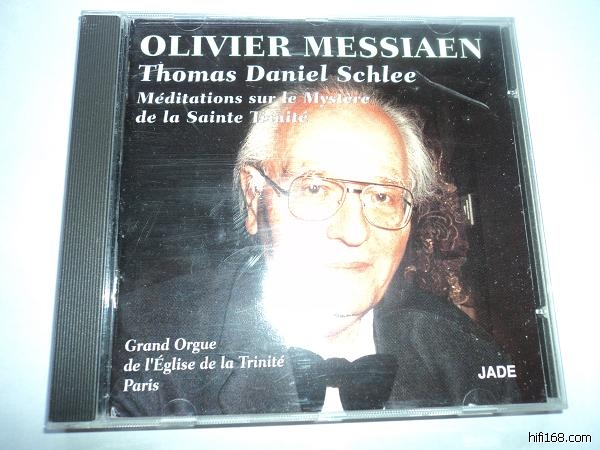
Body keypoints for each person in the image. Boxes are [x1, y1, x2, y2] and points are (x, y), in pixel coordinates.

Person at [111, 81, 520, 417]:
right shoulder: (138, 349)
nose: (354, 232)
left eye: (383, 196)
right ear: (254, 197)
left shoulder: (465, 354)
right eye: (315, 189)